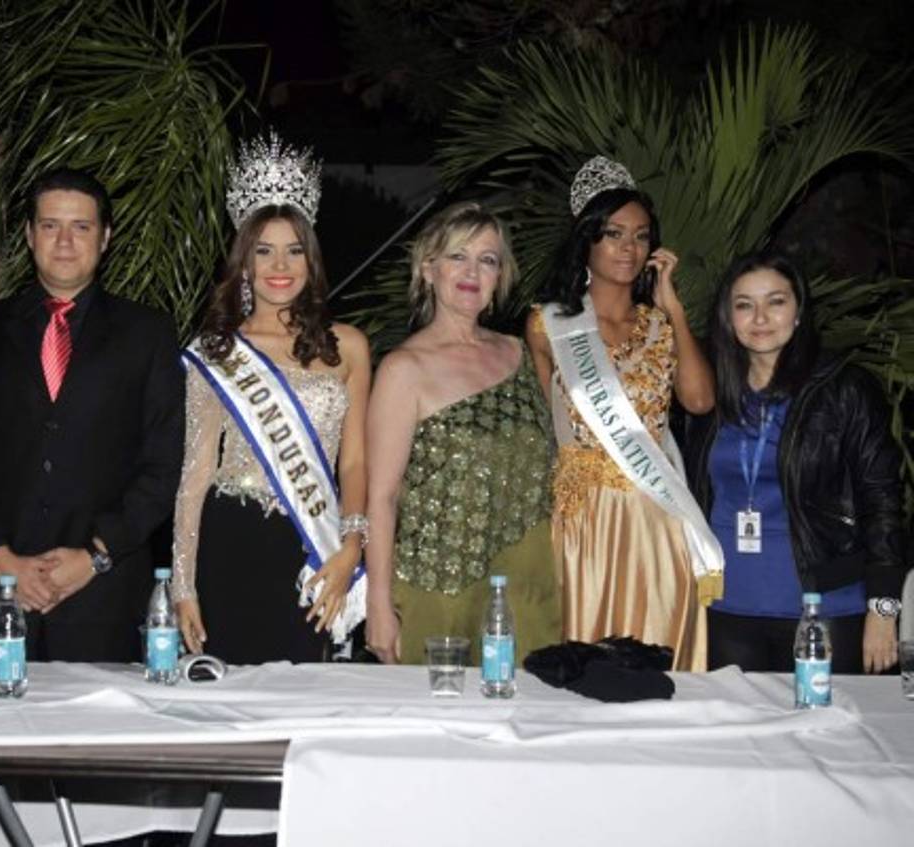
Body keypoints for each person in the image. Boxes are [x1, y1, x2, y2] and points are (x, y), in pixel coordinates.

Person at [0, 167, 183, 662]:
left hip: (104, 597)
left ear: (105, 237)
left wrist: (95, 557)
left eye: (81, 227)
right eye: (51, 225)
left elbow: (163, 465)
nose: (65, 241)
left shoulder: (148, 334)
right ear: (30, 236)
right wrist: (0, 557)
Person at [172, 133, 371, 663]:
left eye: (293, 250)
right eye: (264, 251)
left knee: (306, 688)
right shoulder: (216, 350)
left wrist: (352, 545)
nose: (280, 266)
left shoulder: (349, 347)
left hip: (313, 544)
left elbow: (355, 461)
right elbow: (194, 475)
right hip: (232, 538)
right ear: (244, 261)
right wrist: (183, 585)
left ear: (311, 259)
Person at [526, 155, 720, 672]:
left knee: (655, 657)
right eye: (613, 234)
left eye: (640, 236)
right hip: (583, 517)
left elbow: (700, 401)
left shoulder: (661, 325)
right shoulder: (548, 324)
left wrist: (674, 307)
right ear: (587, 241)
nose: (629, 248)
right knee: (583, 659)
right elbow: (547, 423)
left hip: (655, 514)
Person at [685, 252, 907, 673]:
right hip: (724, 606)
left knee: (825, 718)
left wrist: (883, 608)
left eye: (776, 301)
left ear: (799, 310)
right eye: (745, 305)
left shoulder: (846, 387)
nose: (761, 318)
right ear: (728, 318)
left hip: (824, 608)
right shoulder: (706, 393)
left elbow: (882, 500)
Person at [365, 202, 558, 666]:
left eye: (487, 260)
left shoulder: (521, 354)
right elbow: (381, 498)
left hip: (528, 585)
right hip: (435, 591)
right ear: (428, 269)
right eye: (458, 256)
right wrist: (378, 604)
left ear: (499, 277)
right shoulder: (402, 369)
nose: (472, 272)